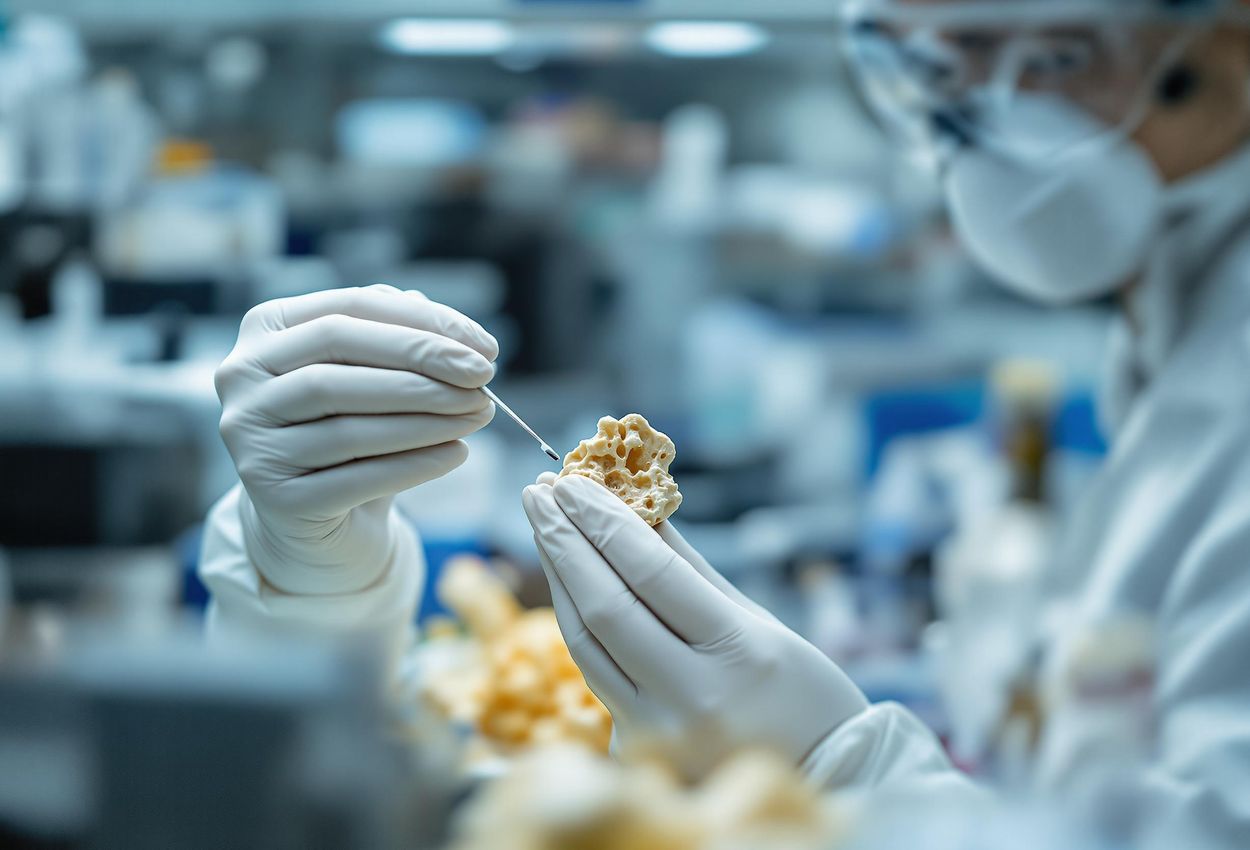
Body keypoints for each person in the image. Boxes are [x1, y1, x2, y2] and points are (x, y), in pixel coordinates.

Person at [200, 0, 1250, 845]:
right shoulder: (1178, 327)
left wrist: (846, 776)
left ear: (1219, 48)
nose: (967, 119)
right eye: (934, 67)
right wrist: (299, 571)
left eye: (1023, 57)